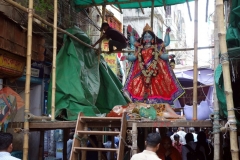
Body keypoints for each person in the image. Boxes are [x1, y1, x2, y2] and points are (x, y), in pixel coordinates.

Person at [122, 23, 184, 105]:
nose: (147, 38)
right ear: (143, 38)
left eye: (149, 37)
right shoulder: (140, 48)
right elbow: (133, 56)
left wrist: (169, 55)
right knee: (136, 86)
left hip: (155, 74)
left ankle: (157, 108)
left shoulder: (156, 47)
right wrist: (126, 57)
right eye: (145, 37)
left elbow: (165, 47)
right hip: (142, 73)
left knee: (158, 92)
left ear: (152, 38)